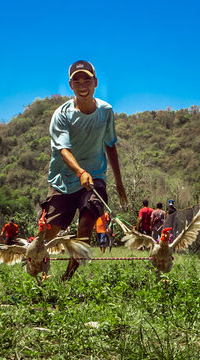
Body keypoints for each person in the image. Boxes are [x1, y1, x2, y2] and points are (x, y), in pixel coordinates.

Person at [40, 60, 128, 281]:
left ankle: (67, 277)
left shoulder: (106, 111)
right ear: (70, 85)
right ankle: (39, 271)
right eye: (76, 81)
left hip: (95, 176)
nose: (82, 85)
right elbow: (63, 150)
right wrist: (80, 172)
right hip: (63, 179)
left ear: (95, 82)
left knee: (87, 222)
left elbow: (110, 144)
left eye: (86, 79)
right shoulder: (61, 114)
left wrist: (118, 182)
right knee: (49, 232)